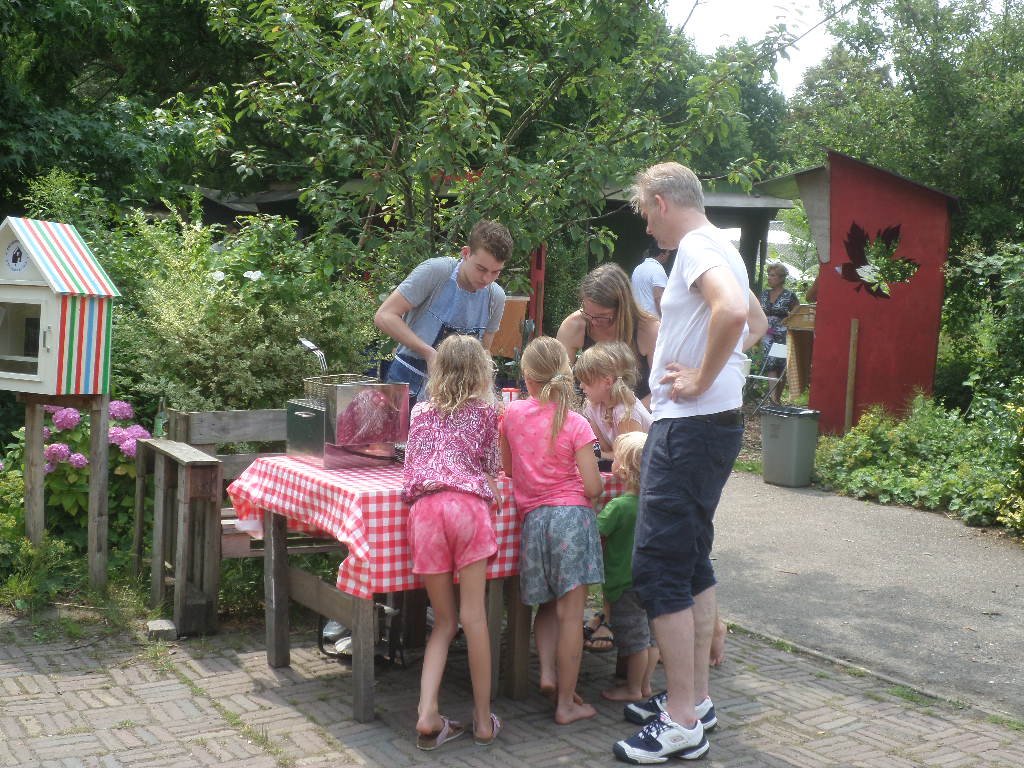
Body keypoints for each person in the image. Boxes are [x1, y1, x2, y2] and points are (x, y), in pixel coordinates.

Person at [612, 162, 769, 764]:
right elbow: (755, 322)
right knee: (692, 561)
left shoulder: (698, 247)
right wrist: (718, 369)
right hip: (712, 429)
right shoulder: (723, 248)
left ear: (659, 201)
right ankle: (695, 700)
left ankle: (680, 721)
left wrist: (702, 375)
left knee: (658, 569)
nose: (649, 228)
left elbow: (733, 314)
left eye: (646, 214)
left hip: (690, 430)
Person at [402, 334, 503, 750]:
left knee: (443, 622)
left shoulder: (421, 410)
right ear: (481, 371)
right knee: (474, 617)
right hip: (467, 509)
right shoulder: (487, 412)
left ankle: (428, 712)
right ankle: (482, 720)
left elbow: (410, 467)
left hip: (425, 513)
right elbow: (494, 467)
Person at [500, 336, 605, 725]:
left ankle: (545, 673)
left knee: (544, 605)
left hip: (534, 521)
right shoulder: (575, 422)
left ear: (526, 377)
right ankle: (565, 703)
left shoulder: (510, 414)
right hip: (571, 519)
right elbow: (593, 487)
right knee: (570, 613)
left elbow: (509, 470)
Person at [375, 220, 514, 402]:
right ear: (466, 253)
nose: (487, 278)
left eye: (496, 272)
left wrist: (489, 396)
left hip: (459, 396)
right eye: (481, 269)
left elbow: (484, 352)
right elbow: (384, 316)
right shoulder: (436, 272)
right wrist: (428, 353)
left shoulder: (496, 296)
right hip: (409, 383)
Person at [597, 431, 661, 703]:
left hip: (625, 584)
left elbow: (595, 532)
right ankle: (645, 685)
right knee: (651, 638)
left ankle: (633, 689)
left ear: (620, 469)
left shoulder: (619, 507)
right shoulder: (656, 505)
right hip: (653, 581)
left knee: (634, 640)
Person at [556, 263, 660, 406]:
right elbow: (558, 382)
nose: (593, 322)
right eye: (587, 313)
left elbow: (662, 390)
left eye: (601, 317)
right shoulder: (575, 325)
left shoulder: (649, 330)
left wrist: (629, 415)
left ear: (622, 309)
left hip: (639, 417)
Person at [574, 341, 653, 461]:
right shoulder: (593, 407)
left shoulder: (625, 412)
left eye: (586, 381)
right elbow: (605, 448)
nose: (581, 386)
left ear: (608, 382)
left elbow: (631, 456)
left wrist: (599, 455)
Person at [758, 262, 799, 404]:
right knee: (770, 364)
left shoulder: (789, 295)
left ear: (781, 278)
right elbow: (757, 311)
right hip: (766, 333)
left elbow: (798, 309)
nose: (769, 278)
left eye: (773, 275)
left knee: (779, 365)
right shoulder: (764, 294)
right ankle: (773, 400)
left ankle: (776, 398)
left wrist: (788, 319)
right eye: (769, 275)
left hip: (781, 334)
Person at [631, 243, 673, 317]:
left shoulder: (637, 268)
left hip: (637, 318)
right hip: (652, 320)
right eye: (668, 252)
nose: (669, 255)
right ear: (661, 254)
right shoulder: (657, 270)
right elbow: (659, 298)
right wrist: (666, 318)